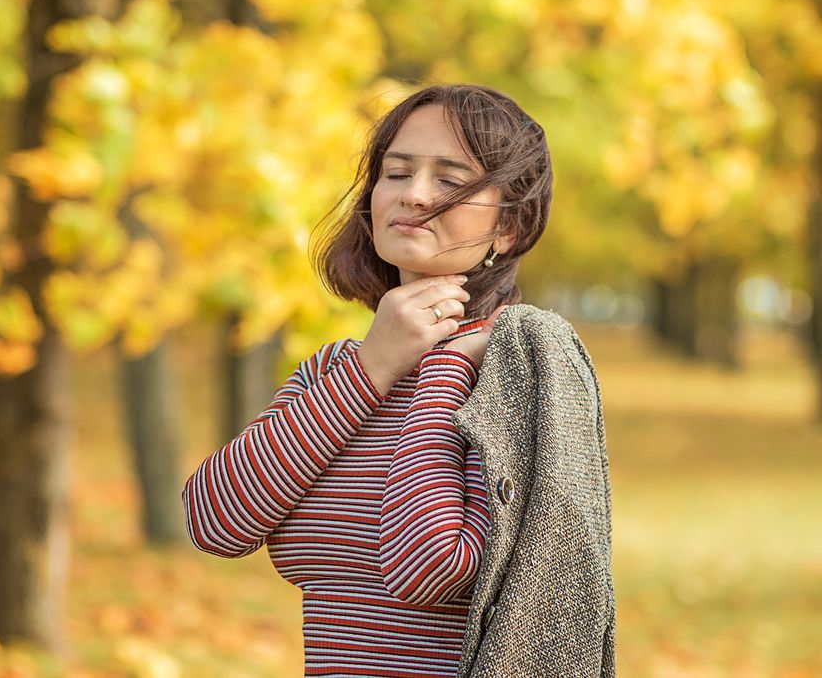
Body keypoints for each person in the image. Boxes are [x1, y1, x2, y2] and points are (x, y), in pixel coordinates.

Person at [182, 84, 616, 677]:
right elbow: (213, 522)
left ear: (509, 226)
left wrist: (444, 368)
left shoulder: (521, 375)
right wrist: (374, 366)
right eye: (397, 173)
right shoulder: (337, 371)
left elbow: (428, 567)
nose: (414, 194)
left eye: (450, 179)